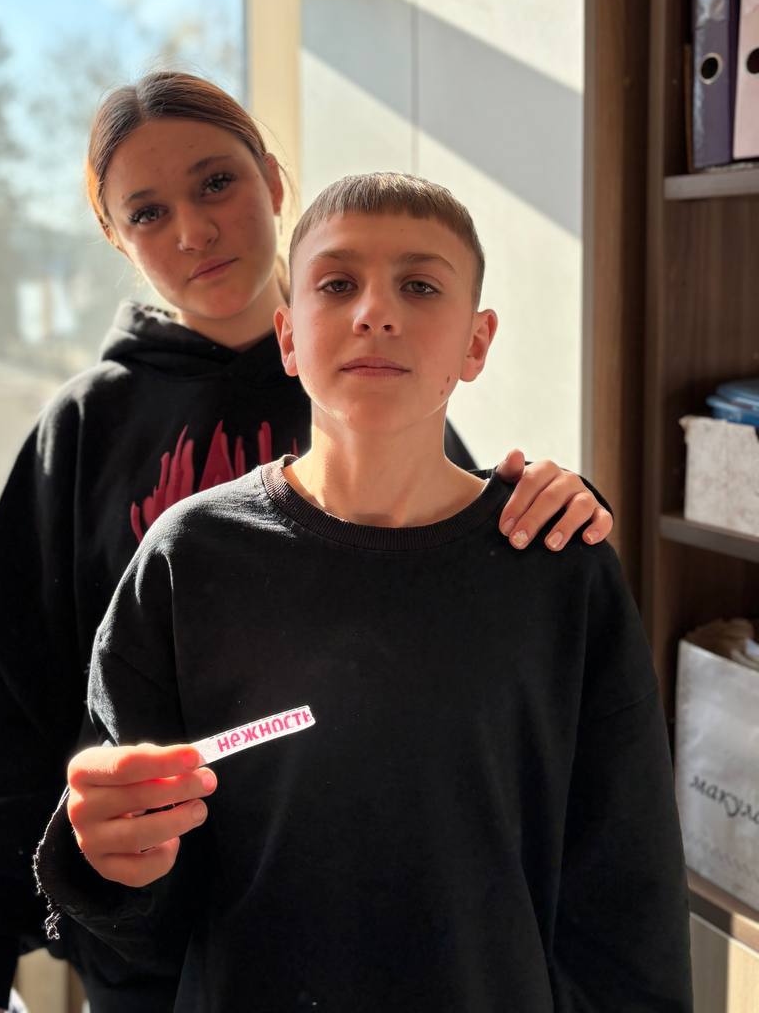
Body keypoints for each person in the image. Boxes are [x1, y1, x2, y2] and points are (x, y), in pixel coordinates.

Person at [0, 77, 615, 1013]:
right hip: (153, 945)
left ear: (273, 181)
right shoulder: (86, 430)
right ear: (116, 239)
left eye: (216, 183)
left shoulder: (371, 381)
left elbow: (465, 639)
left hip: (370, 927)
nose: (193, 230)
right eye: (147, 212)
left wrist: (555, 509)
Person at [38, 171, 692, 1012]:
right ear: (288, 336)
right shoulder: (187, 559)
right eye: (337, 284)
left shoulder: (556, 564)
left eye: (419, 286)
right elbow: (141, 893)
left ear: (476, 343)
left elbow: (626, 892)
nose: (375, 311)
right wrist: (107, 857)